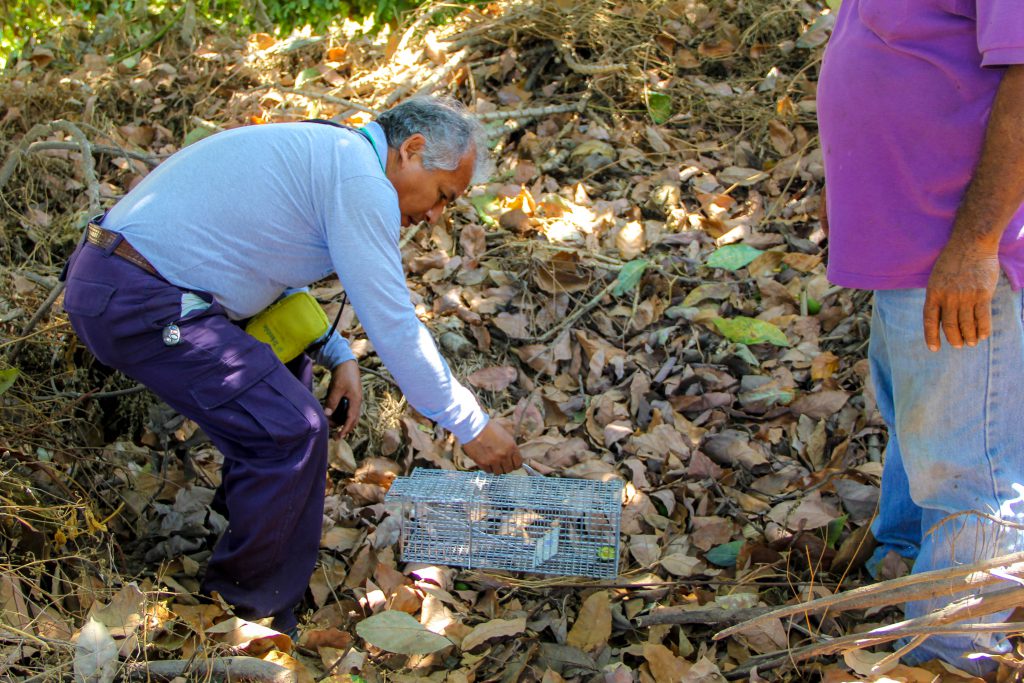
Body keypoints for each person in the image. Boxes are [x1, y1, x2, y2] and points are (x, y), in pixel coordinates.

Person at [61, 97, 522, 633]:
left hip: (123, 280)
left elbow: (267, 257)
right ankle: (244, 613)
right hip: (137, 296)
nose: (435, 215)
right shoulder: (361, 180)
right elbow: (395, 326)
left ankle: (250, 535)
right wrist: (470, 424)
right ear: (412, 150)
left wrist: (336, 350)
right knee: (291, 432)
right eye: (443, 195)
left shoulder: (336, 151)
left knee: (290, 371)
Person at [817, 0, 1024, 674]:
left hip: (956, 249)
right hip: (913, 243)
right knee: (918, 421)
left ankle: (953, 651)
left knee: (968, 465)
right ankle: (903, 559)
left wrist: (975, 243)